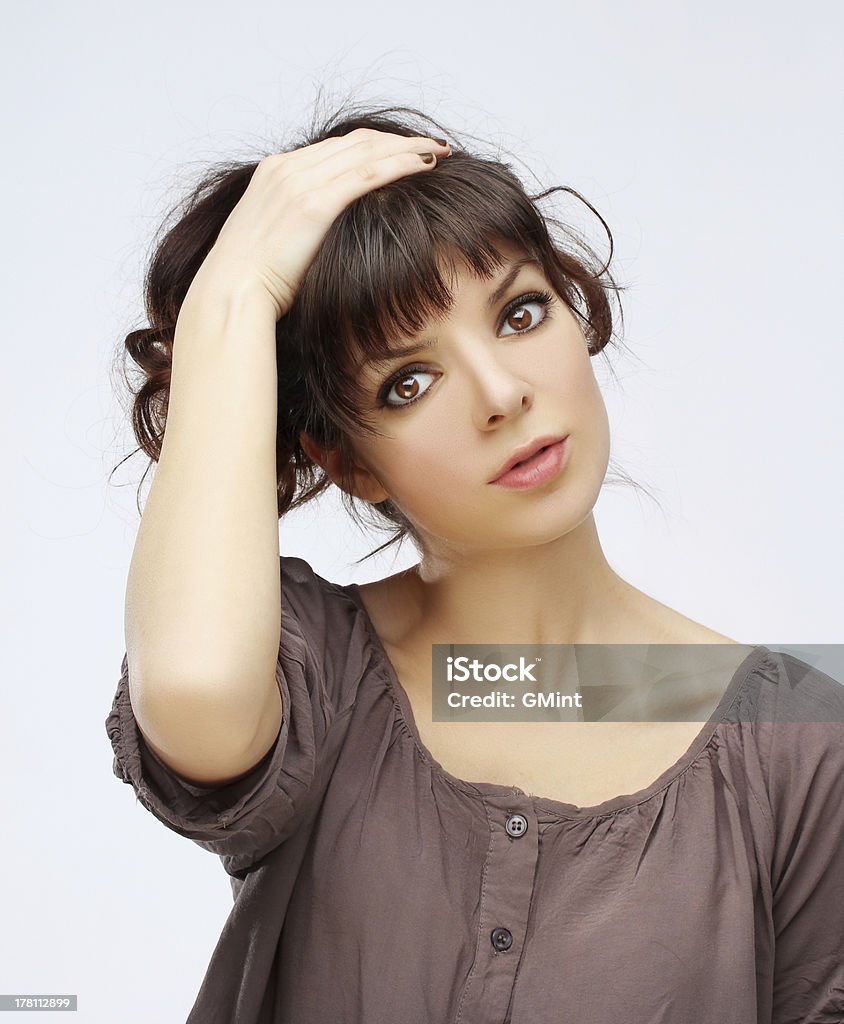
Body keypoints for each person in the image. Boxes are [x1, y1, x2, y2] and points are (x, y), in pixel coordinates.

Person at [105, 103, 844, 1023]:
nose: (502, 394)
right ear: (347, 459)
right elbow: (194, 690)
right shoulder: (314, 674)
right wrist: (234, 293)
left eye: (520, 313)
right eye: (407, 382)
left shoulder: (800, 749)